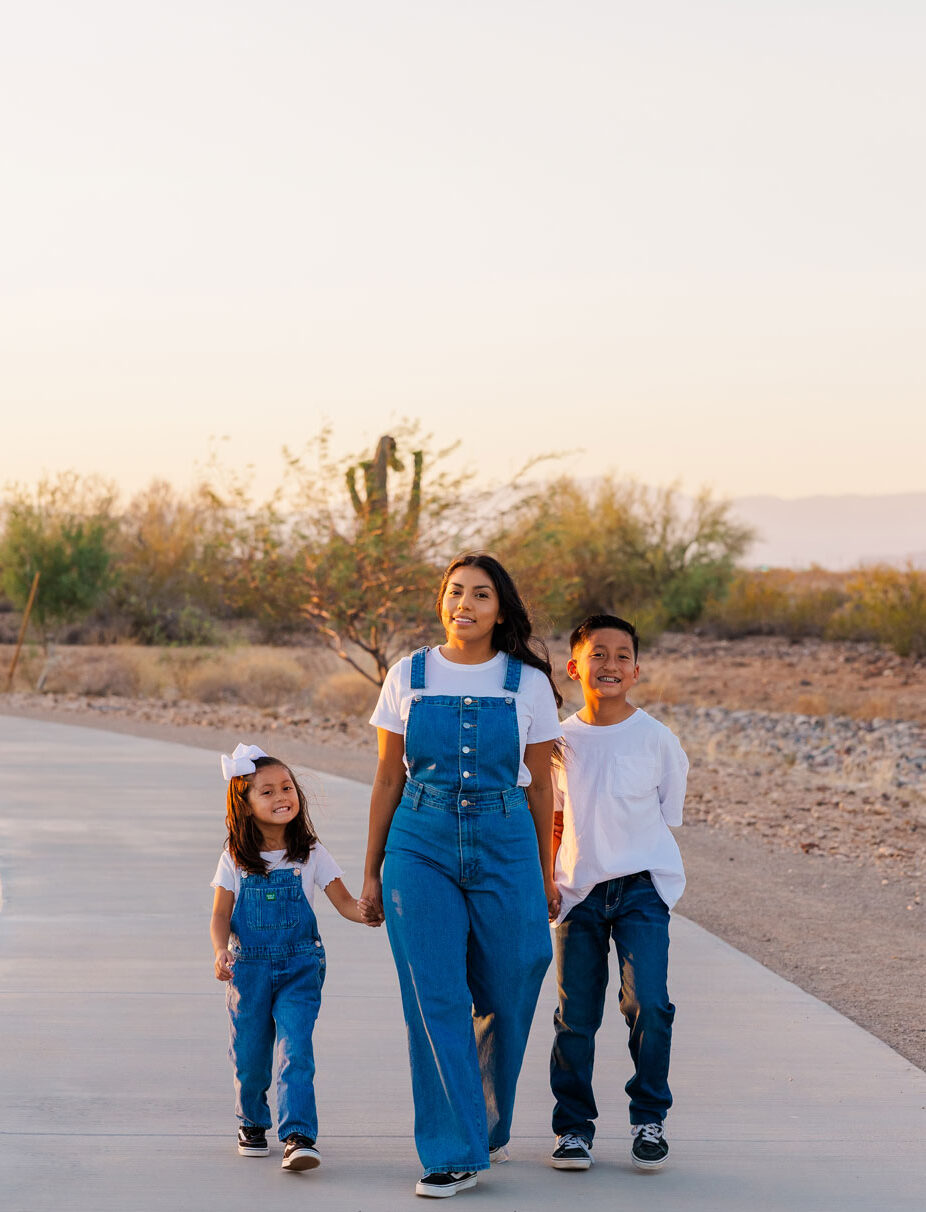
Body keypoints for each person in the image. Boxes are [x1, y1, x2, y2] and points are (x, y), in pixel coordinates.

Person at [360, 553, 562, 1199]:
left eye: (480, 595)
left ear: (500, 609)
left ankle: (484, 1123)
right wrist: (372, 869)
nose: (464, 605)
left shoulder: (526, 682)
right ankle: (451, 1152)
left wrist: (543, 872)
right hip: (419, 843)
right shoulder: (408, 674)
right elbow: (390, 775)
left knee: (511, 983)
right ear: (440, 600)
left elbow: (540, 791)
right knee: (436, 996)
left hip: (506, 837)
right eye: (454, 593)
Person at [548, 615, 688, 1173]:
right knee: (575, 1017)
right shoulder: (556, 740)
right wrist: (546, 879)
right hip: (577, 892)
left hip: (641, 891)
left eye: (622, 655)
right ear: (574, 665)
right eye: (597, 654)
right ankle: (573, 1129)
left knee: (648, 1004)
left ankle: (648, 1118)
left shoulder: (656, 739)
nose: (610, 665)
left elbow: (664, 813)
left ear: (637, 668)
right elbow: (552, 819)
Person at [210, 742, 375, 1172]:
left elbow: (344, 903)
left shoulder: (312, 853)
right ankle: (252, 1121)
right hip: (247, 969)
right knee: (249, 1054)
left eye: (287, 787)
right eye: (267, 791)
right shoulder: (234, 858)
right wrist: (219, 951)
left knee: (295, 1049)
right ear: (244, 805)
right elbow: (220, 915)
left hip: (301, 967)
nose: (282, 796)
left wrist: (371, 912)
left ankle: (299, 1135)